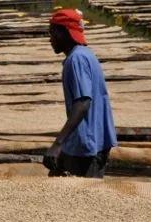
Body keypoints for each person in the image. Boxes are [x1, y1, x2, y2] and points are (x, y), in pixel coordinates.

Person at [43, 8, 117, 179]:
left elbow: (83, 104)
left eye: (52, 32)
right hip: (89, 140)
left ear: (63, 32)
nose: (50, 39)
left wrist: (57, 144)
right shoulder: (85, 55)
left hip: (87, 145)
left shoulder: (76, 59)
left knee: (86, 198)